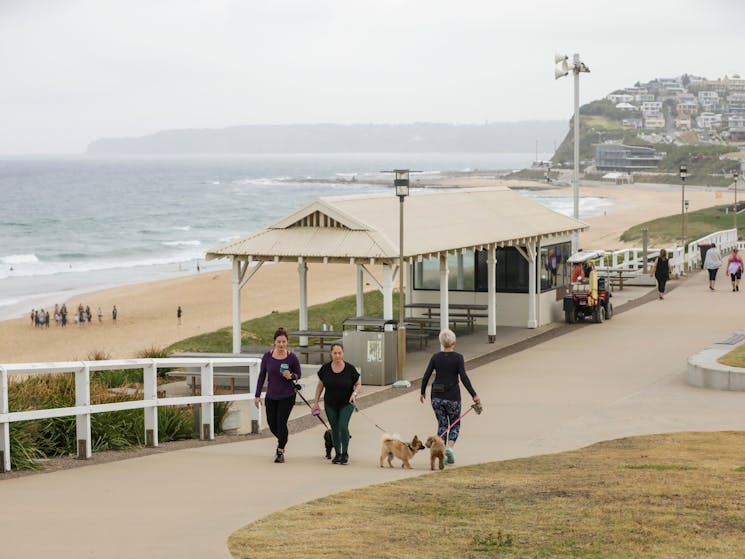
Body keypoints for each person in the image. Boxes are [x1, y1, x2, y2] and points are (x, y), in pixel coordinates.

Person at [420, 329, 480, 465]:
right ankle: (449, 449)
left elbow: (427, 375)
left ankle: (440, 450)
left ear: (441, 342)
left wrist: (422, 391)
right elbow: (464, 377)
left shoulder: (435, 357)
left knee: (442, 424)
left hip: (436, 397)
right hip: (453, 397)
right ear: (454, 342)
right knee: (454, 424)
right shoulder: (458, 358)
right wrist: (474, 394)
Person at [254, 327, 302, 463]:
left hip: (287, 396)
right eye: (279, 342)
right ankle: (283, 438)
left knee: (281, 422)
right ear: (274, 342)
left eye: (284, 342)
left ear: (287, 342)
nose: (281, 345)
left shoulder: (291, 357)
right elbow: (262, 376)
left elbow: (298, 373)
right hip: (271, 396)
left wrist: (291, 375)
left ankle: (280, 450)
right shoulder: (267, 357)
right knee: (272, 424)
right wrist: (257, 395)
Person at [312, 343, 360, 465]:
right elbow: (320, 386)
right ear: (331, 354)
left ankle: (345, 453)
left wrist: (354, 394)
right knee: (335, 428)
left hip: (346, 403)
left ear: (343, 353)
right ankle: (338, 454)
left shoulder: (350, 369)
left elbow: (358, 384)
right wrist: (316, 403)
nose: (337, 355)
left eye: (340, 353)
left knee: (343, 426)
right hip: (330, 404)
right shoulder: (325, 369)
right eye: (335, 353)